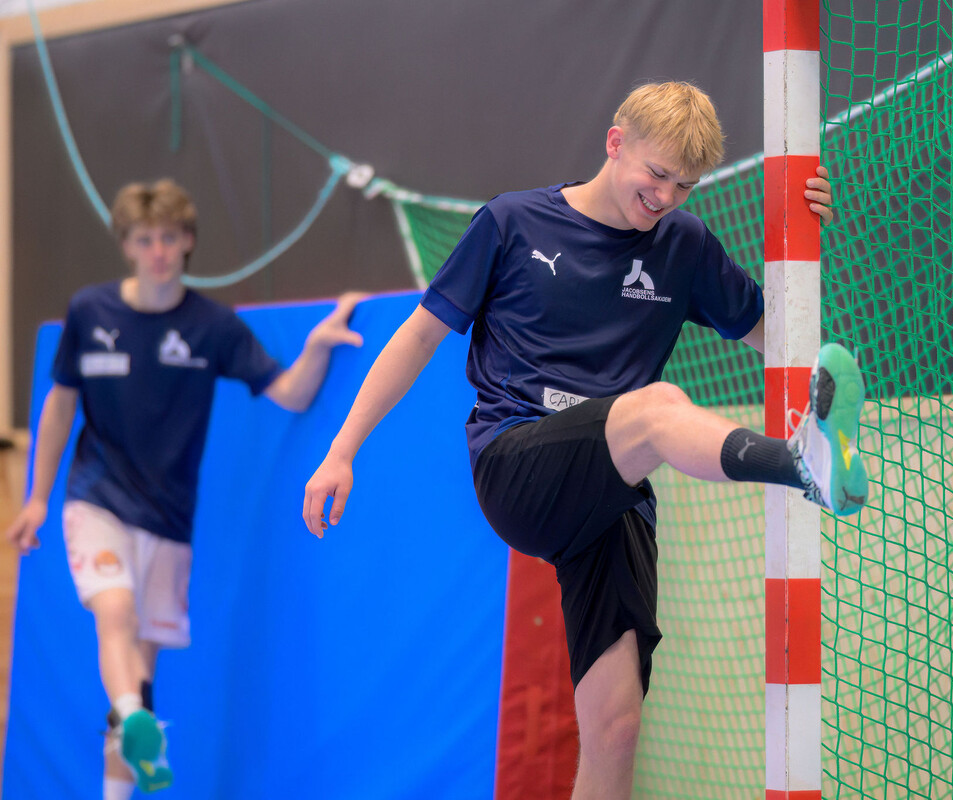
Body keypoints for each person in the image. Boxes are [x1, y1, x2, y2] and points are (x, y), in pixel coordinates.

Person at [302, 82, 866, 800]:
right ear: (615, 143)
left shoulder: (683, 245)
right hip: (519, 460)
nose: (665, 197)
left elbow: (781, 340)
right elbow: (416, 339)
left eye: (684, 186)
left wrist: (808, 241)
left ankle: (803, 461)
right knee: (657, 409)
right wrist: (341, 451)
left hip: (612, 494)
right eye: (656, 174)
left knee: (616, 729)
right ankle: (798, 464)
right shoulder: (511, 223)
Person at [5, 179, 365, 798]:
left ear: (188, 241)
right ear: (126, 245)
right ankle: (136, 720)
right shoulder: (91, 312)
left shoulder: (211, 326)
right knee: (114, 613)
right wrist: (37, 497)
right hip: (96, 499)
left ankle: (124, 763)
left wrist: (316, 347)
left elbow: (291, 392)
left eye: (169, 238)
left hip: (168, 520)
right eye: (145, 240)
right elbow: (60, 404)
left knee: (138, 672)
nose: (158, 252)